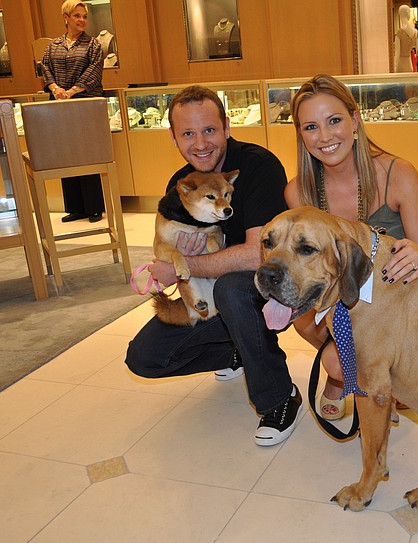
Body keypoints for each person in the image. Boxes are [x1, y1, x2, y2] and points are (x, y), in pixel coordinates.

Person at [124, 85, 302, 447]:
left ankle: (280, 398)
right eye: (187, 133)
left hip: (269, 288)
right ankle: (238, 348)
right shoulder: (182, 184)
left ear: (226, 128)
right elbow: (168, 252)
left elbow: (258, 255)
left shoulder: (258, 167)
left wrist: (186, 265)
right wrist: (173, 264)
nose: (200, 143)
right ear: (173, 137)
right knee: (145, 358)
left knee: (232, 288)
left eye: (209, 130)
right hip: (210, 294)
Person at [284, 74, 418, 421]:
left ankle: (381, 374)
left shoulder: (397, 173)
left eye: (335, 121)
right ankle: (346, 373)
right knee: (321, 343)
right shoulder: (299, 192)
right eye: (311, 127)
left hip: (394, 304)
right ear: (300, 134)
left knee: (365, 360)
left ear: (355, 120)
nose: (325, 137)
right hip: (338, 304)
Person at [41, 0, 106, 223]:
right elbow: (45, 68)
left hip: (83, 103)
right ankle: (76, 207)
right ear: (66, 17)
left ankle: (95, 206)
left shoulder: (93, 44)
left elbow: (94, 72)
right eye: (77, 15)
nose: (81, 20)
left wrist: (71, 91)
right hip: (59, 105)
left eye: (84, 16)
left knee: (87, 153)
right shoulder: (53, 45)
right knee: (66, 154)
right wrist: (56, 89)